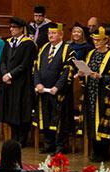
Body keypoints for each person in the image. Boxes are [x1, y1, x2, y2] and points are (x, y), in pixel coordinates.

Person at [33, 23, 74, 155]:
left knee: (60, 119)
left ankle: (60, 145)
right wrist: (37, 83)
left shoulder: (68, 50)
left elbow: (68, 71)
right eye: (49, 33)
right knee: (45, 117)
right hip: (43, 91)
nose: (50, 35)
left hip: (59, 92)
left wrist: (57, 86)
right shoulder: (44, 48)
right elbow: (36, 68)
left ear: (61, 34)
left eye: (54, 33)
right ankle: (48, 143)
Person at [79, 25, 110, 163]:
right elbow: (87, 70)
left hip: (103, 95)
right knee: (91, 121)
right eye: (94, 40)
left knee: (101, 122)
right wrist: (82, 74)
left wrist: (101, 77)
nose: (96, 43)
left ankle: (103, 152)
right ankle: (94, 150)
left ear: (105, 41)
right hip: (91, 92)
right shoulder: (91, 54)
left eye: (99, 40)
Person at [0, 17, 36, 144]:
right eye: (11, 27)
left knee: (20, 109)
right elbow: (2, 61)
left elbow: (25, 64)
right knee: (10, 109)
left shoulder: (28, 44)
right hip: (8, 82)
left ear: (21, 29)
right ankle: (14, 136)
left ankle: (22, 137)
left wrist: (10, 75)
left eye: (14, 27)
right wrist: (4, 74)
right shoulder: (7, 42)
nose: (11, 29)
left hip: (22, 82)